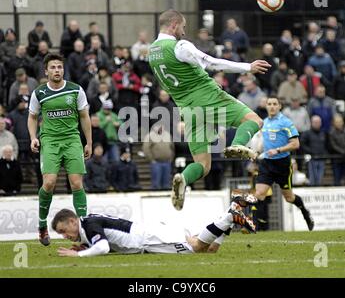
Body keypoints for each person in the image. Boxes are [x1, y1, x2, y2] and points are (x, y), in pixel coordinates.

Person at [148, 9, 271, 210]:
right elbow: (210, 62)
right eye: (183, 27)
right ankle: (238, 144)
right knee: (255, 120)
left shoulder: (152, 52)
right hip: (208, 98)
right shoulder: (179, 45)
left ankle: (184, 180)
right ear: (174, 25)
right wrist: (247, 67)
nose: (184, 32)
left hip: (187, 110)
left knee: (203, 166)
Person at [52, 194, 257, 257]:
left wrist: (78, 254)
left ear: (72, 221)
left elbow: (104, 247)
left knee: (197, 248)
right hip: (148, 232)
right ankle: (231, 212)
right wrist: (87, 246)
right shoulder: (88, 224)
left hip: (148, 238)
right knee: (210, 249)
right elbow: (106, 240)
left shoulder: (88, 225)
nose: (65, 236)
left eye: (63, 231)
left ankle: (229, 217)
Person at [27, 53, 92, 246]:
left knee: (76, 183)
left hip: (72, 139)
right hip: (50, 141)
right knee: (49, 183)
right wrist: (33, 138)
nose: (57, 70)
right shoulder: (39, 93)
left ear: (63, 69)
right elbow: (32, 117)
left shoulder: (76, 90)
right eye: (53, 67)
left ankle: (84, 230)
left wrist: (88, 142)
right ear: (46, 71)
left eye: (60, 67)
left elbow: (84, 116)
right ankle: (41, 226)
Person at [254, 96, 314, 231]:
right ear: (266, 106)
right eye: (269, 104)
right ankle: (254, 224)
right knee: (259, 194)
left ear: (280, 106)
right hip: (267, 164)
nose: (272, 106)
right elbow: (262, 143)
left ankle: (305, 211)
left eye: (275, 104)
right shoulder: (264, 123)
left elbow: (295, 144)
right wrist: (256, 153)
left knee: (289, 197)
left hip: (282, 164)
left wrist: (278, 150)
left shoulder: (286, 123)